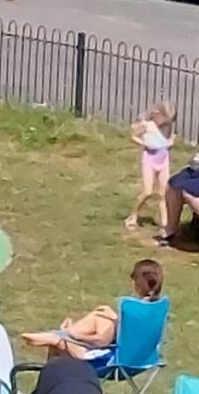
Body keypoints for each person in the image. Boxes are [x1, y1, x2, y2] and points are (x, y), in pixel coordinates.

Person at [25, 258, 166, 357]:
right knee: (101, 316)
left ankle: (58, 335)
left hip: (118, 360)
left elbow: (101, 340)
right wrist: (115, 319)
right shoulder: (154, 308)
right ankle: (62, 333)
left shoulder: (132, 310)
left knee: (58, 345)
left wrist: (76, 335)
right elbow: (130, 334)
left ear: (140, 283)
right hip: (144, 358)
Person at [132, 103, 179, 232]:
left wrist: (170, 142)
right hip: (149, 159)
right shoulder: (148, 125)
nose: (167, 123)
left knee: (163, 193)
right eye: (165, 119)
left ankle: (165, 224)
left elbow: (165, 142)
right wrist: (145, 143)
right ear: (158, 114)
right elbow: (134, 136)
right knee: (148, 191)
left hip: (163, 160)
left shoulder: (167, 126)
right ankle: (133, 215)